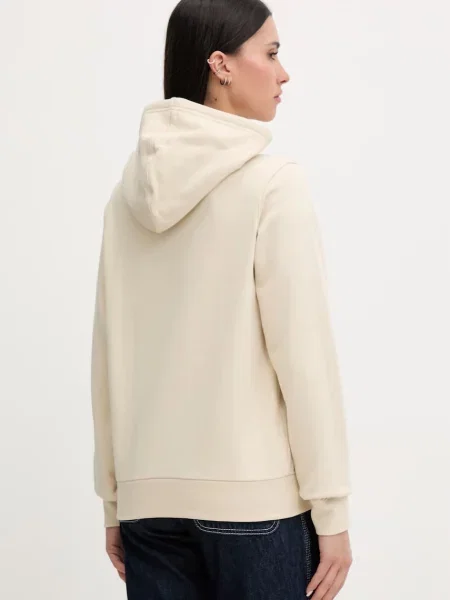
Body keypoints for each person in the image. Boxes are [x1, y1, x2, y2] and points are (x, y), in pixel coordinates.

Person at [90, 0, 353, 598]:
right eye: (271, 53)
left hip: (148, 508)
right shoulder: (273, 184)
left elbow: (107, 357)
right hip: (254, 507)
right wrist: (332, 510)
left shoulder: (123, 200)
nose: (284, 73)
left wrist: (115, 500)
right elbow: (303, 359)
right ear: (221, 64)